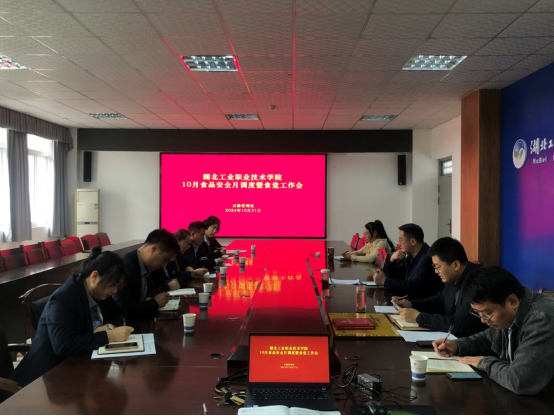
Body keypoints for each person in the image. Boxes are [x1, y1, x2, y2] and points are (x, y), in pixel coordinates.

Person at [10, 247, 134, 387]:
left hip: (78, 366)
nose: (115, 291)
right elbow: (63, 346)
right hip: (44, 378)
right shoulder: (64, 299)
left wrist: (109, 326)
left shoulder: (99, 292)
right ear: (94, 277)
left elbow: (122, 313)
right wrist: (108, 336)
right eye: (113, 285)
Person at [433, 267, 554, 395]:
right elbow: (489, 337)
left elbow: (520, 380)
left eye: (487, 313)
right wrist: (458, 345)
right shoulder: (511, 310)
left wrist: (484, 362)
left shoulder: (542, 319)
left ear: (512, 301)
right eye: (478, 313)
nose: (483, 320)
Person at [392, 237, 487, 337]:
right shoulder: (453, 276)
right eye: (434, 267)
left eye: (438, 267)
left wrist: (418, 317)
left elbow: (459, 324)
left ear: (456, 265)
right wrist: (411, 304)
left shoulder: (477, 282)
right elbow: (439, 301)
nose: (436, 271)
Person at [114, 229, 180, 319]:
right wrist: (154, 303)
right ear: (154, 249)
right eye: (165, 260)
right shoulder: (126, 267)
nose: (163, 266)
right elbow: (122, 308)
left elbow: (152, 290)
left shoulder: (146, 265)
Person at [373, 224, 443, 298]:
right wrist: (392, 261)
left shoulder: (428, 259)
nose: (399, 243)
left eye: (401, 240)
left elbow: (416, 285)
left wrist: (385, 281)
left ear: (413, 241)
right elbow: (396, 276)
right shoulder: (411, 255)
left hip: (420, 301)